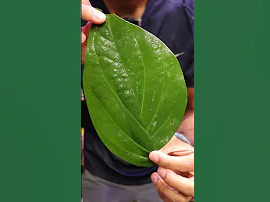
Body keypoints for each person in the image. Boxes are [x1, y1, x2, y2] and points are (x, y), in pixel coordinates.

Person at [81, 0, 194, 201]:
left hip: (162, 173)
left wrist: (183, 153)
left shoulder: (185, 14)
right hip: (99, 171)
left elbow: (192, 108)